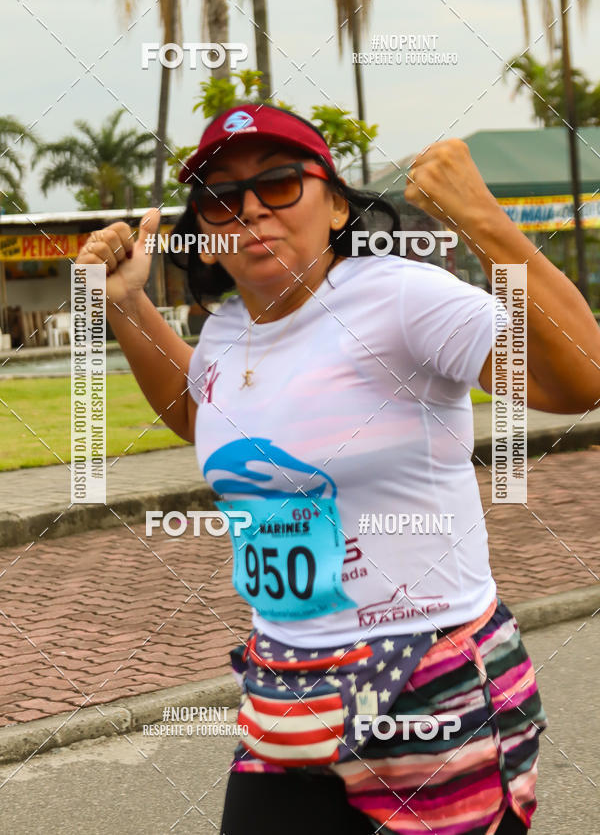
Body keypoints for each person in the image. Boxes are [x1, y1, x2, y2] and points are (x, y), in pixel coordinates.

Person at [77, 103, 600, 834]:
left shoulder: (399, 297)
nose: (252, 210)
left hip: (432, 682)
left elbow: (580, 378)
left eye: (281, 183)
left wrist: (486, 223)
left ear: (334, 206)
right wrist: (128, 303)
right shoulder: (227, 329)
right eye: (224, 197)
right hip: (286, 688)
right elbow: (201, 416)